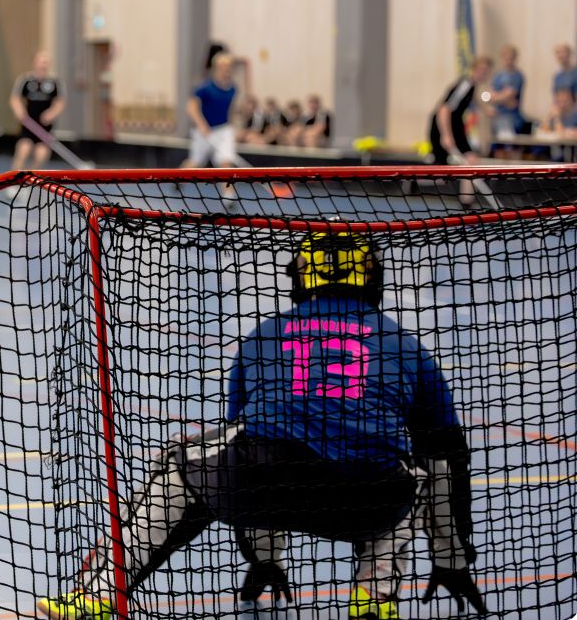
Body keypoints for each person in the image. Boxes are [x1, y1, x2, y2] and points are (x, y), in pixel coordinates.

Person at [36, 231, 488, 620]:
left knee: (185, 462)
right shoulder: (405, 345)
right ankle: (373, 598)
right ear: (371, 277)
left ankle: (97, 596)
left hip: (264, 485)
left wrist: (263, 557)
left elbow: (244, 434)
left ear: (300, 277)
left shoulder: (264, 334)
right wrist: (450, 560)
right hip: (364, 503)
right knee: (414, 474)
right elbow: (447, 455)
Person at [426, 56, 494, 206]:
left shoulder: (472, 85)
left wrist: (486, 109)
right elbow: (443, 110)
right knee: (441, 177)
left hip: (457, 126)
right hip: (442, 126)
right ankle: (412, 183)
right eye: (481, 70)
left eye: (487, 71)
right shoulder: (464, 84)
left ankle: (466, 203)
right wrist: (446, 136)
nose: (484, 74)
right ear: (474, 69)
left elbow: (474, 98)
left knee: (471, 161)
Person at [181, 53, 248, 170]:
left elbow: (230, 111)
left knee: (226, 163)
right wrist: (202, 125)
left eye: (229, 67)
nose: (227, 70)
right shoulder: (204, 87)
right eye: (223, 67)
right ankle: (176, 182)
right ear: (216, 68)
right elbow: (191, 107)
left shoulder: (233, 89)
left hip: (223, 130)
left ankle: (228, 189)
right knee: (195, 162)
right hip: (204, 131)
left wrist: (235, 129)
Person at [10, 50, 66, 170]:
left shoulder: (55, 81)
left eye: (46, 62)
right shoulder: (25, 80)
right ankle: (15, 182)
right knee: (23, 150)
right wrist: (20, 112)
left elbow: (60, 102)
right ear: (34, 63)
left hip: (45, 126)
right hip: (28, 123)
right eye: (41, 62)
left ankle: (31, 180)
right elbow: (15, 98)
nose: (43, 65)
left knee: (41, 155)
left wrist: (52, 113)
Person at [488, 45, 526, 136]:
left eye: (510, 58)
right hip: (497, 117)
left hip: (512, 118)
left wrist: (497, 97)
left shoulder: (517, 75)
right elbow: (488, 96)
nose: (508, 60)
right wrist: (502, 98)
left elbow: (510, 95)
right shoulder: (498, 76)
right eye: (505, 57)